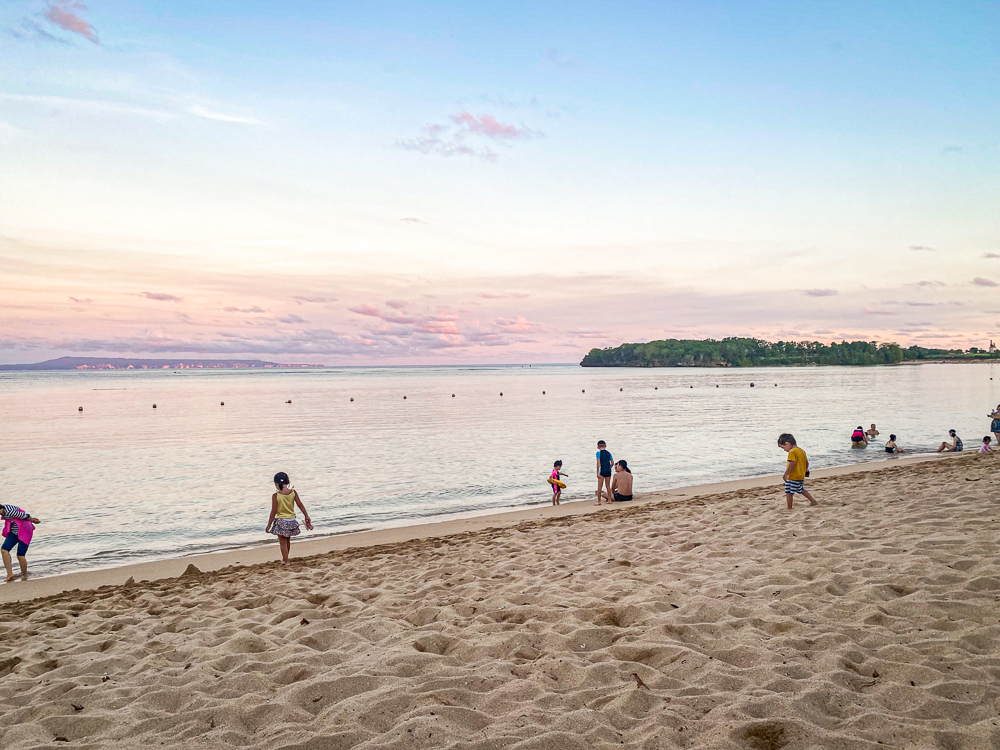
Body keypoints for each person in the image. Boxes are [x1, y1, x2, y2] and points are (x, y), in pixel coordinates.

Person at [265, 472, 313, 566]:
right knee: (287, 541)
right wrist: (306, 515)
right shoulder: (293, 493)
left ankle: (286, 561)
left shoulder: (276, 496)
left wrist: (269, 524)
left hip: (281, 521)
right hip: (291, 521)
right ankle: (285, 558)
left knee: (282, 543)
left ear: (277, 484)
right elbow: (300, 505)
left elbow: (273, 511)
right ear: (288, 481)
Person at [1, 504, 40, 582]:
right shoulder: (3, 510)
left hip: (25, 531)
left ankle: (24, 574)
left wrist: (33, 520)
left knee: (20, 555)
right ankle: (10, 574)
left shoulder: (9, 512)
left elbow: (24, 515)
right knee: (4, 550)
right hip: (14, 531)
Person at [778, 433, 818, 509]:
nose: (784, 450)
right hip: (800, 476)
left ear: (787, 444)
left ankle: (789, 507)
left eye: (783, 447)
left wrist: (786, 474)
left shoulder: (792, 452)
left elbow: (792, 463)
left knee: (789, 491)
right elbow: (806, 462)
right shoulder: (801, 451)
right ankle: (813, 501)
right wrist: (805, 471)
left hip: (793, 476)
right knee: (801, 489)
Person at [595, 440, 614, 506]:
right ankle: (609, 500)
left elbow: (598, 463)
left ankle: (599, 501)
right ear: (605, 446)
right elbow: (612, 463)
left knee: (599, 487)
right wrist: (609, 468)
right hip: (608, 471)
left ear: (598, 447)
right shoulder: (609, 453)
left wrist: (597, 472)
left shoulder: (598, 453)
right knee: (608, 486)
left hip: (602, 471)